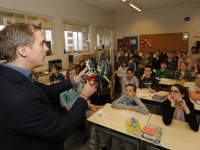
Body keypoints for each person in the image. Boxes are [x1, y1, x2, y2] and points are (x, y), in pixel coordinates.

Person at [0, 23, 97, 150]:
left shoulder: (13, 76)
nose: (46, 48)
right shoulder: (19, 96)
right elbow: (63, 127)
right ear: (23, 50)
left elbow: (49, 89)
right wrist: (84, 96)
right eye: (41, 43)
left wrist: (76, 79)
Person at [111, 84, 149, 150]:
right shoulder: (123, 96)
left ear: (134, 93)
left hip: (132, 121)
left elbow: (146, 111)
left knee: (128, 136)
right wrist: (125, 106)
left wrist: (133, 108)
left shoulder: (136, 98)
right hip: (122, 118)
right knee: (115, 132)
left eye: (130, 91)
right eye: (126, 90)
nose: (127, 92)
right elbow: (113, 104)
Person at [60, 66, 85, 140]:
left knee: (80, 123)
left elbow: (84, 96)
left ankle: (80, 130)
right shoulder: (64, 85)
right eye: (70, 73)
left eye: (74, 73)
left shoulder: (80, 84)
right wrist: (70, 111)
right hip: (68, 107)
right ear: (68, 75)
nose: (72, 75)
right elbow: (63, 100)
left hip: (79, 106)